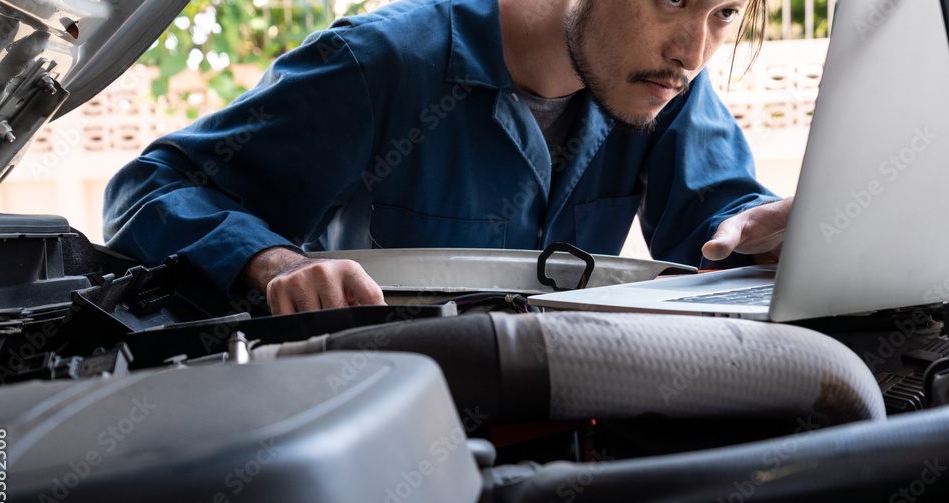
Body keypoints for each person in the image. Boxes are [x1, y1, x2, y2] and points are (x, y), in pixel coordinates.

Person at [103, 0, 792, 314]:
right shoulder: (382, 64)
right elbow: (148, 190)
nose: (694, 51)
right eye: (673, 2)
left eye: (724, 14)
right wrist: (274, 262)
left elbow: (721, 227)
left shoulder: (664, 89)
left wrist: (773, 235)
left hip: (571, 424)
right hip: (389, 426)